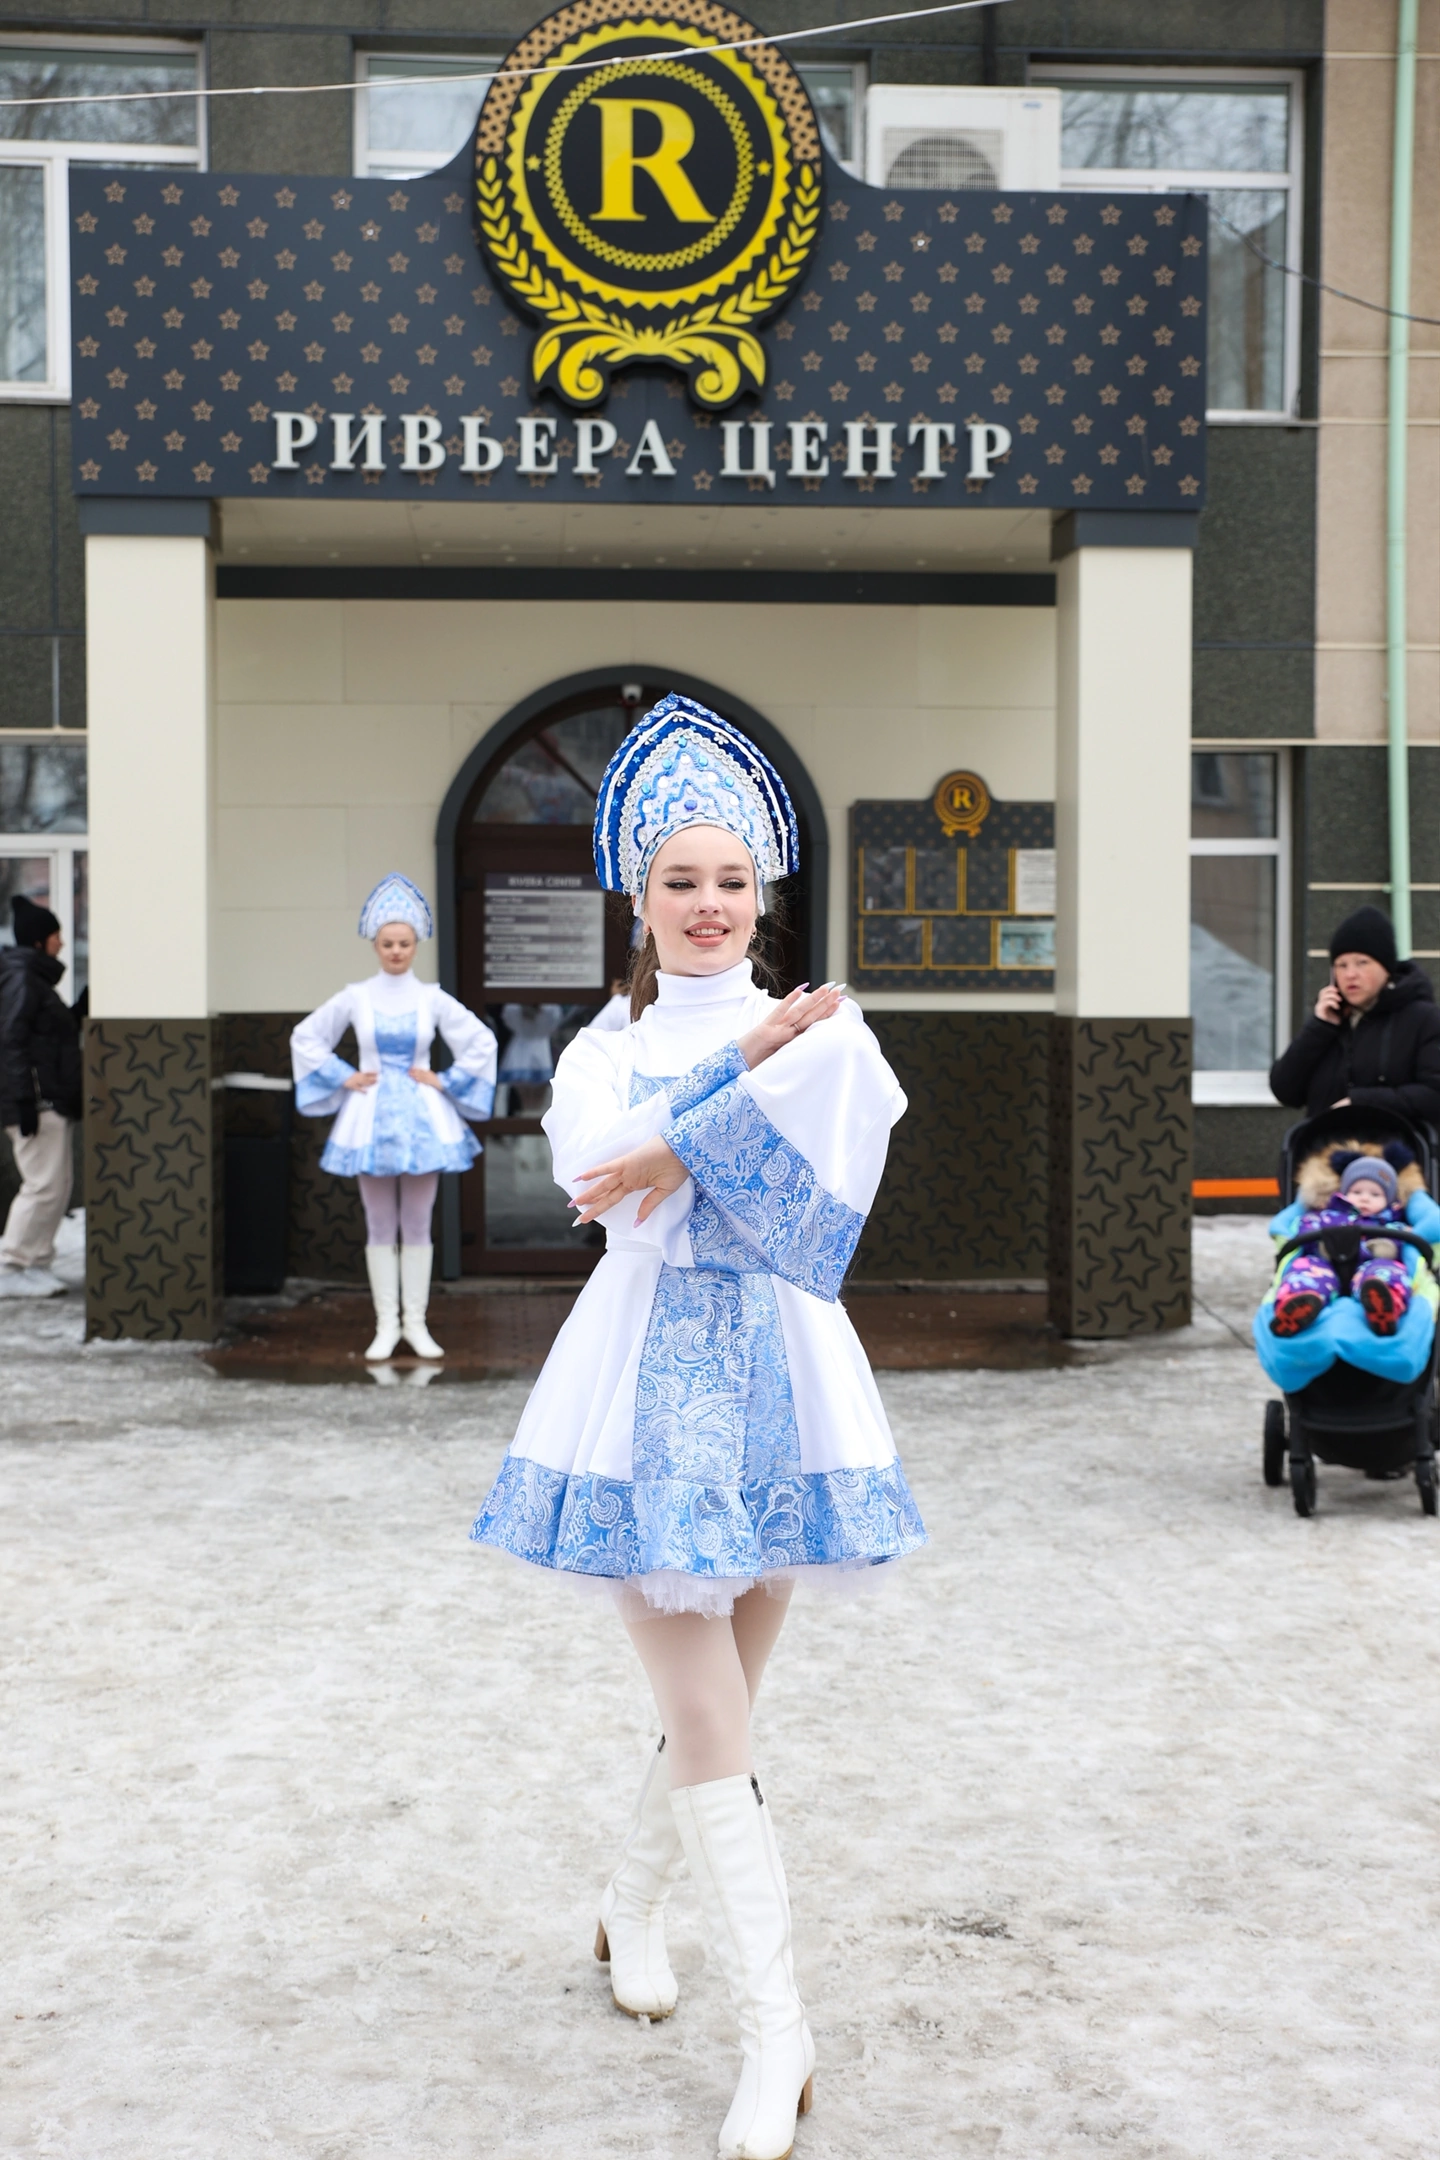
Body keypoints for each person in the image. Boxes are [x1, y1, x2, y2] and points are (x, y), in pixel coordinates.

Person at [471, 695, 926, 2160]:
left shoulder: (824, 1030)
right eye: (682, 880)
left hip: (787, 1379)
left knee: (719, 1704)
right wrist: (730, 1087)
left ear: (763, 892)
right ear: (639, 894)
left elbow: (830, 1173)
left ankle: (630, 1900)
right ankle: (779, 2034)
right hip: (641, 1394)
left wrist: (707, 1116)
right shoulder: (601, 1051)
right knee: (712, 1716)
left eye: (733, 880)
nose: (710, 904)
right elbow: (609, 1182)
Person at [291, 874, 496, 1360]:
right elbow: (306, 1036)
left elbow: (481, 1040)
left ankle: (416, 1324)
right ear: (375, 945)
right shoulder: (356, 996)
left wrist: (445, 1079)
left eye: (404, 943)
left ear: (416, 945)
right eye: (388, 944)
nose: (397, 951)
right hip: (369, 1117)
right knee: (379, 1223)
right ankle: (386, 1325)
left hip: (424, 1118)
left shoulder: (431, 998)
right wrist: (344, 1075)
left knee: (418, 1223)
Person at [1270, 905, 1440, 1124]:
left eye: (1362, 963)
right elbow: (1285, 1091)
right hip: (1324, 1143)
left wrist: (1361, 1103)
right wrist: (1319, 1027)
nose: (1350, 974)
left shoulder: (1423, 1019)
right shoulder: (1330, 1024)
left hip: (1394, 1143)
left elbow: (1434, 1095)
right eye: (1341, 965)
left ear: (1386, 969)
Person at [0, 894, 82, 1298]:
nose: (61, 942)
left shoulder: (34, 981)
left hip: (48, 1097)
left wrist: (79, 1012)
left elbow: (48, 1036)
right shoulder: (21, 980)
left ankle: (35, 1262)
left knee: (56, 1185)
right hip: (35, 1101)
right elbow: (11, 1043)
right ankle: (11, 1266)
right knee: (42, 1185)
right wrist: (23, 1103)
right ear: (38, 941)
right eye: (55, 935)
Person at [1270, 1145, 1416, 1337]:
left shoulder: (1389, 1222)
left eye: (1375, 1194)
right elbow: (1305, 1227)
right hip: (1326, 1263)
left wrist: (1388, 1246)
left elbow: (1401, 1238)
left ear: (1389, 1200)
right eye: (1357, 1192)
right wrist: (1318, 1243)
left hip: (1370, 1264)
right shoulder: (1329, 1214)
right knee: (1305, 1268)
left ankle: (1384, 1305)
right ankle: (1296, 1304)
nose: (1365, 1198)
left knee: (1388, 1271)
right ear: (1344, 1192)